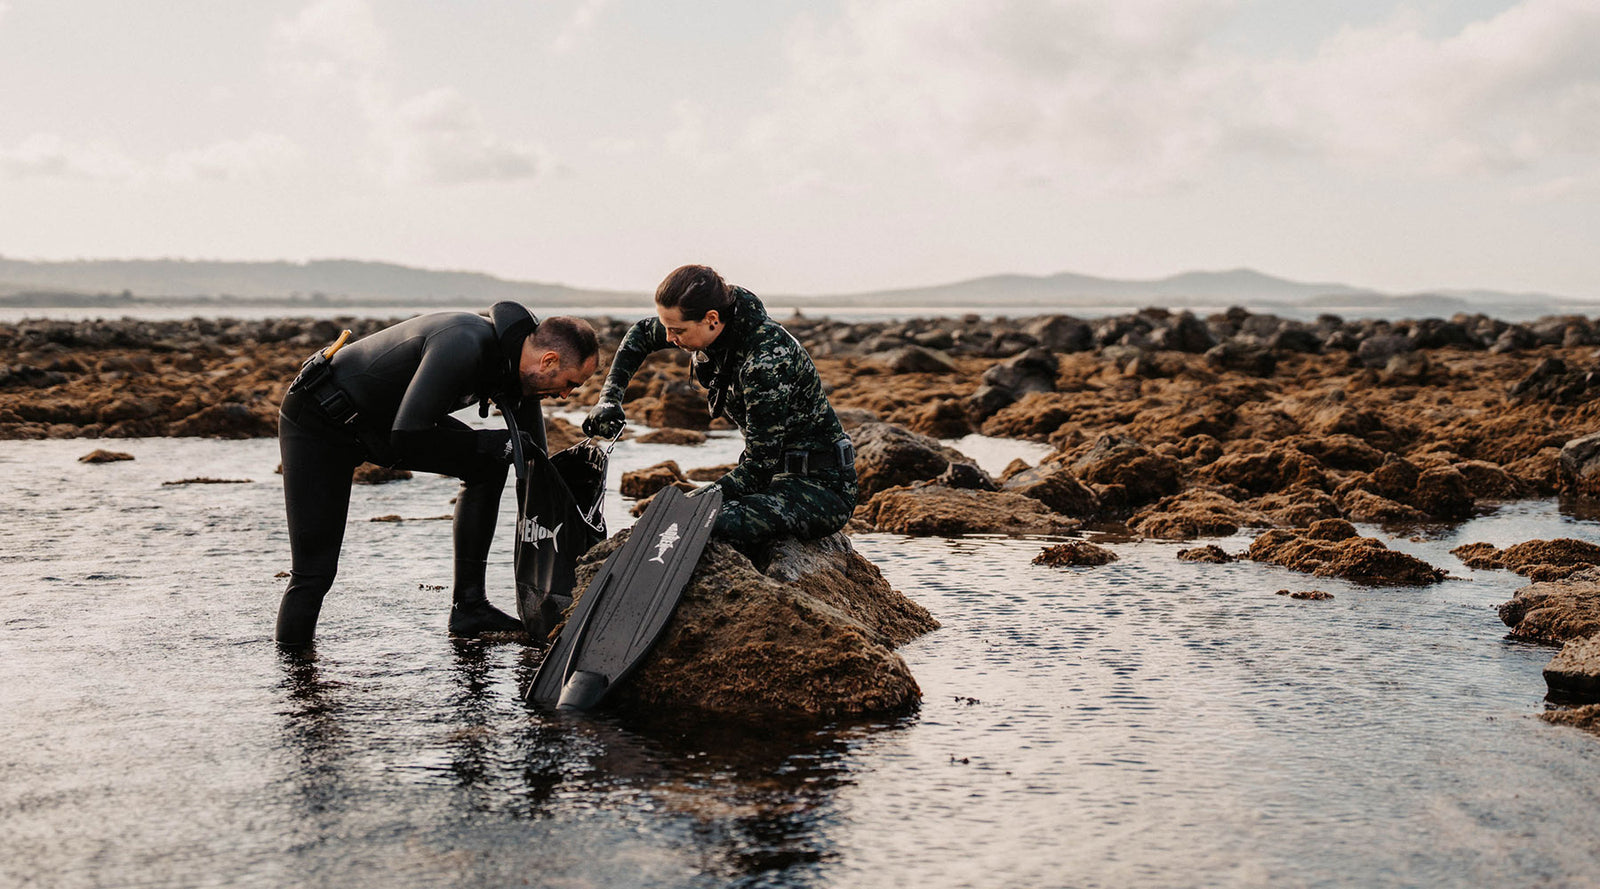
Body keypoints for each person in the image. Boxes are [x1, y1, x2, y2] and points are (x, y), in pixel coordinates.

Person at [276, 304, 599, 646]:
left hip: (381, 422)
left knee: (488, 464)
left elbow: (533, 456)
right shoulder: (464, 343)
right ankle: (297, 680)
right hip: (319, 419)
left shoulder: (519, 368)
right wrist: (493, 444)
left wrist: (568, 503)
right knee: (314, 573)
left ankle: (470, 608)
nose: (565, 395)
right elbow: (408, 438)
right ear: (548, 361)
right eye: (569, 384)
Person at [583, 264, 856, 551]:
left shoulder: (766, 359)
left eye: (677, 331)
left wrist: (690, 504)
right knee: (684, 519)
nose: (668, 338)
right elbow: (639, 334)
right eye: (666, 328)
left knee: (702, 522)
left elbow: (757, 469)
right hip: (772, 480)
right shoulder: (712, 328)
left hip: (820, 488)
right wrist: (609, 399)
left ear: (711, 319)